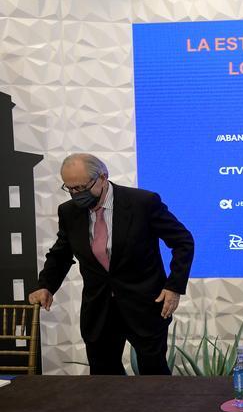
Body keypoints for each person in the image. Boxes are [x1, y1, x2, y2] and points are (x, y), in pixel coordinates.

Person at [29, 153, 194, 375]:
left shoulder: (143, 203)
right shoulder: (68, 212)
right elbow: (61, 253)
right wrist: (46, 285)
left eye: (82, 187)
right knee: (103, 381)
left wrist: (173, 287)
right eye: (70, 189)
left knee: (154, 378)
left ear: (102, 177)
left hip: (144, 306)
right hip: (99, 309)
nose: (77, 194)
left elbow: (183, 242)